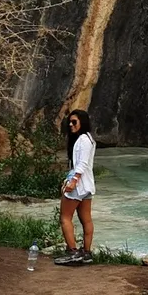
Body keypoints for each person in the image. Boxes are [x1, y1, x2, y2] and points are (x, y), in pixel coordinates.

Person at [55, 108, 96, 266]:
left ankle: (73, 252)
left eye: (74, 122)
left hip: (78, 186)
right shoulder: (89, 139)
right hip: (87, 186)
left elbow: (82, 164)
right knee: (86, 220)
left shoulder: (83, 140)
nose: (71, 125)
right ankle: (86, 253)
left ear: (82, 122)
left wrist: (72, 180)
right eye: (69, 122)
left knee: (65, 218)